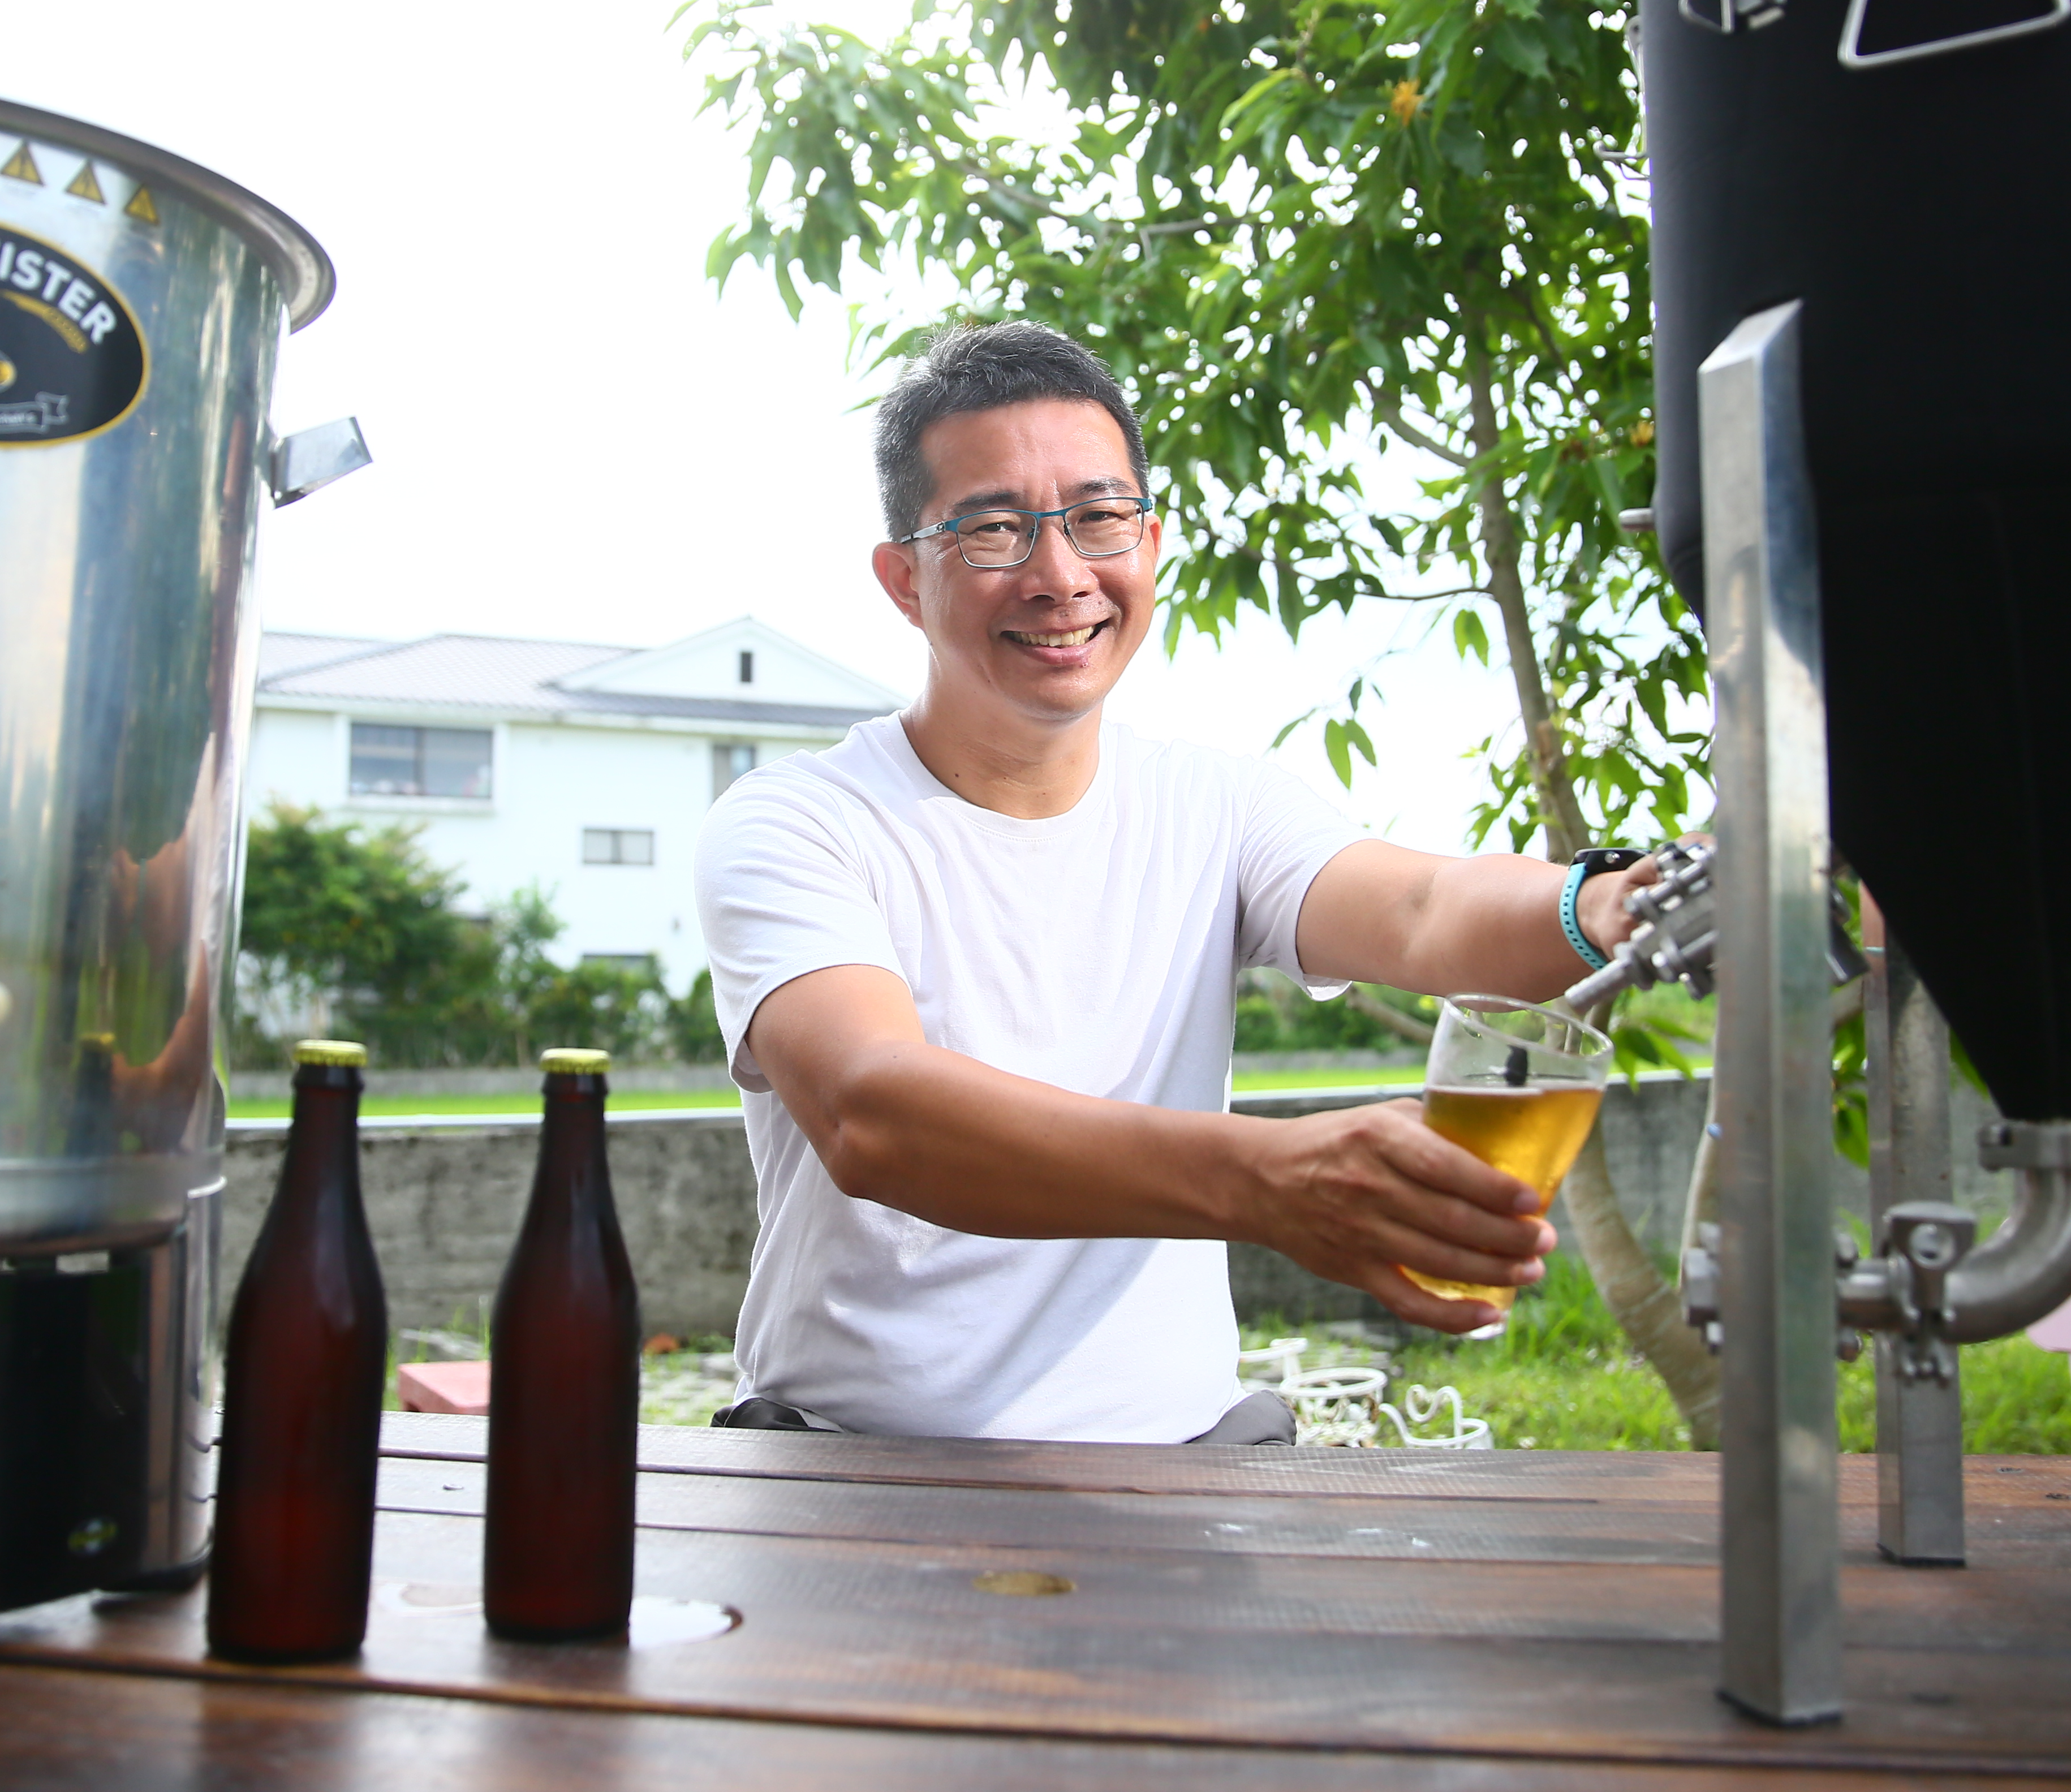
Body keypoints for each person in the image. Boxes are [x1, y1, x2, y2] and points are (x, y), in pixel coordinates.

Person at [694, 322, 1660, 1443]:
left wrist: (1613, 905)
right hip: (867, 1479)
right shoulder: (798, 824)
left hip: (1191, 1468)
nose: (1062, 577)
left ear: (1148, 541)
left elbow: (1422, 907)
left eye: (1099, 520)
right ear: (904, 580)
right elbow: (875, 1114)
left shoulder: (1220, 808)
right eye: (996, 530)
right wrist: (1267, 1180)